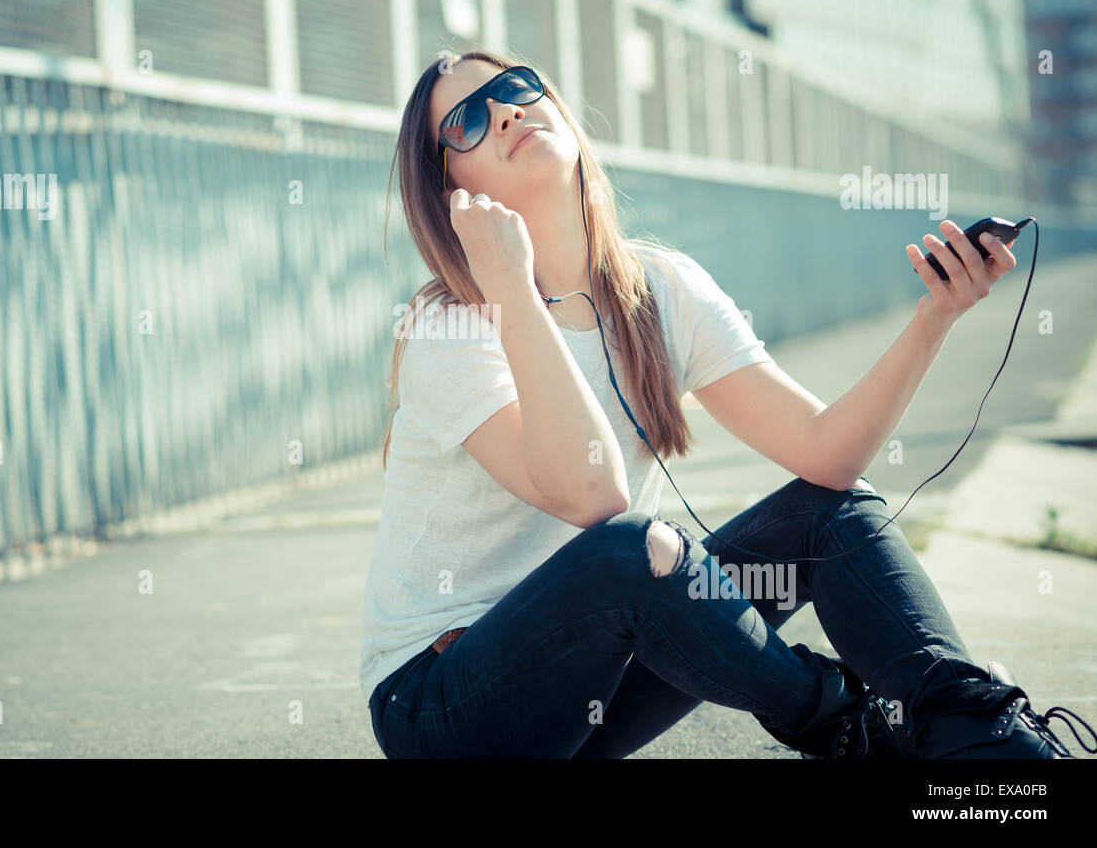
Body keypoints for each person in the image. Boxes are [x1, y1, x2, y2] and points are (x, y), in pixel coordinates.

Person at [358, 48, 1094, 759]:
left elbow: (824, 451)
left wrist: (933, 319)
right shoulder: (451, 325)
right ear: (451, 188)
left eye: (518, 86)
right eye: (468, 122)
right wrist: (512, 285)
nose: (508, 112)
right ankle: (849, 723)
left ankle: (983, 745)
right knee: (630, 550)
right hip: (445, 704)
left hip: (600, 686)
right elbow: (594, 493)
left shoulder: (662, 290)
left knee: (831, 512)